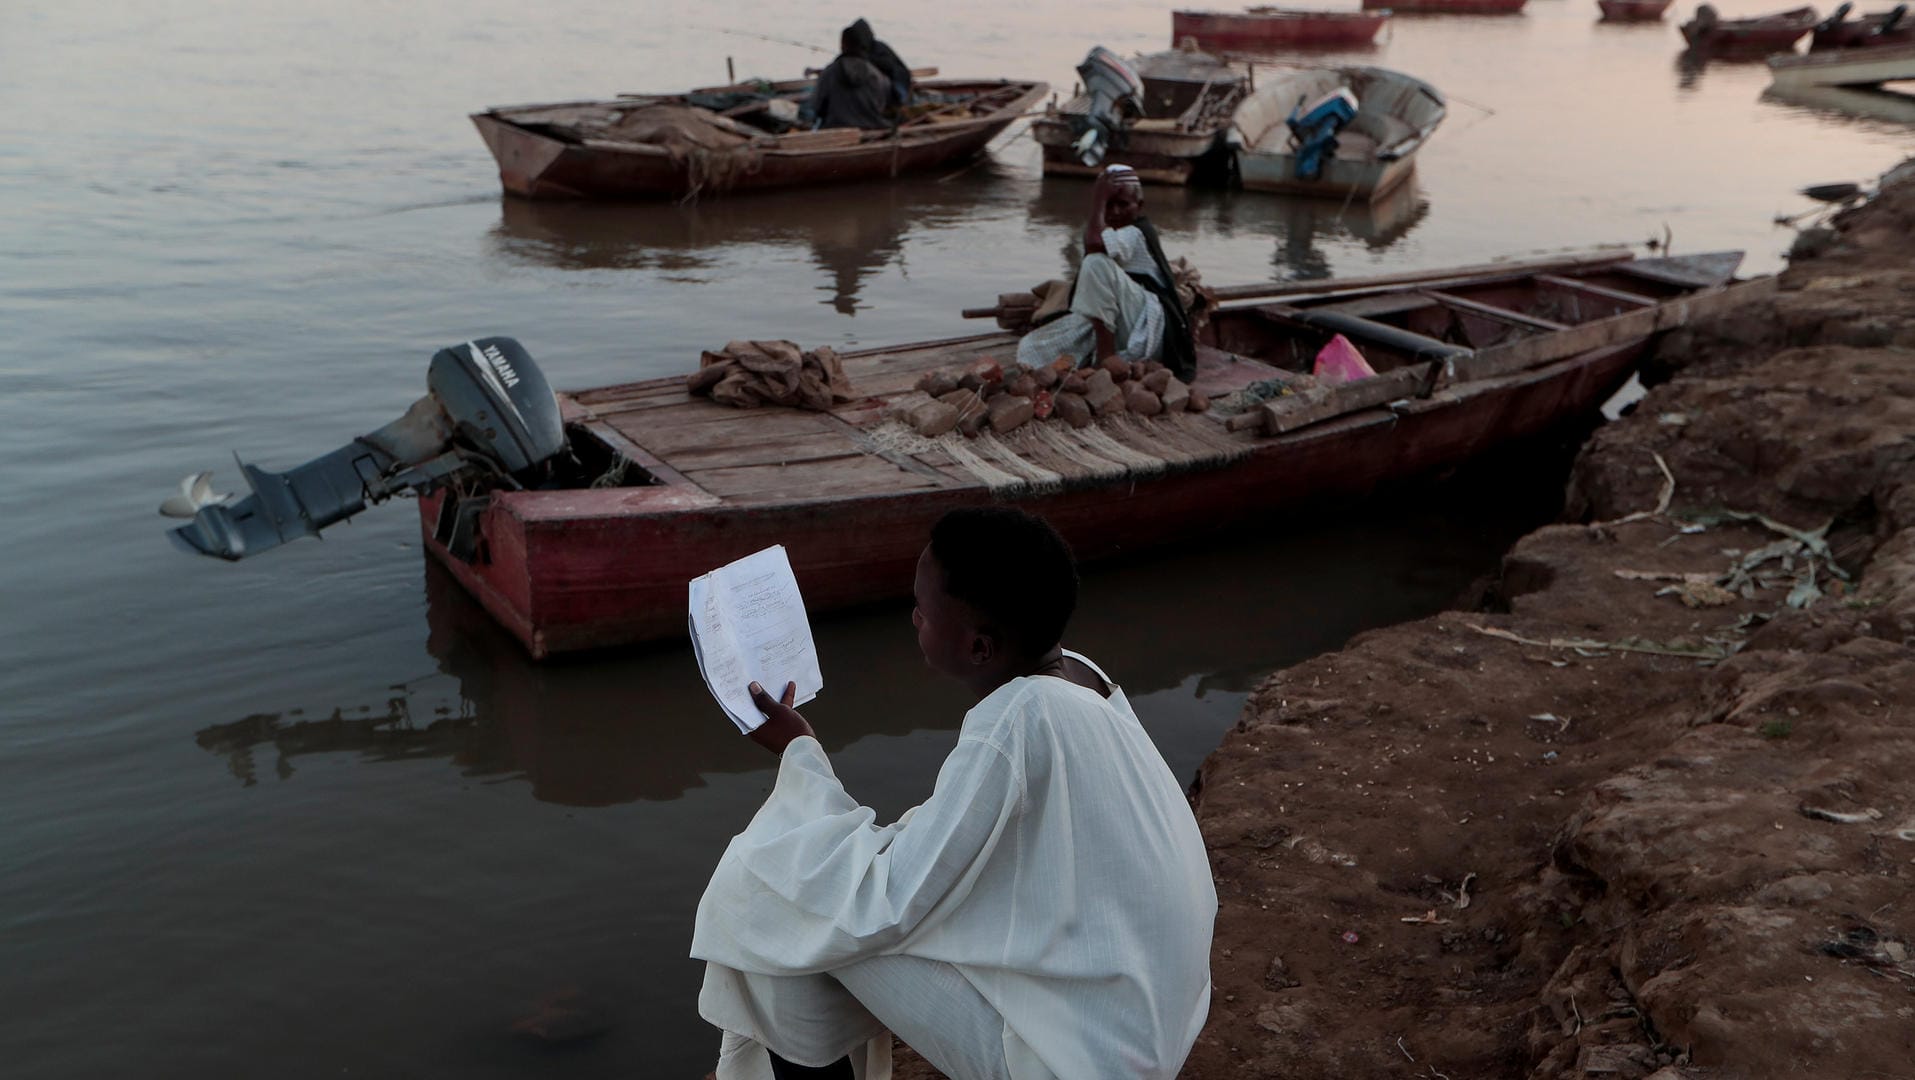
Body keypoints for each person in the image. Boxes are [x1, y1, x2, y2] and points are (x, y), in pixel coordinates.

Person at [690, 507, 1217, 1080]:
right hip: (1149, 1016)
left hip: (1085, 1060)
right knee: (804, 892)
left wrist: (801, 753)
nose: (913, 616)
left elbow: (884, 904)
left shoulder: (1017, 722)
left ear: (980, 649)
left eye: (925, 609)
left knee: (768, 900)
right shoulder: (1081, 677)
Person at [1013, 164, 1198, 383]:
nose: (1115, 212)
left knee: (1095, 262)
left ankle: (1106, 355)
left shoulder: (1135, 233)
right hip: (1118, 321)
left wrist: (1099, 200)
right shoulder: (1108, 232)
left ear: (1139, 206)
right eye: (1109, 205)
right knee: (1030, 348)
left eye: (1123, 204)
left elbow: (1093, 246)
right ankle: (1105, 354)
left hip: (1148, 326)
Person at [801, 19, 909, 131]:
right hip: (872, 126)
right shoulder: (876, 74)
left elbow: (817, 107)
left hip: (835, 129)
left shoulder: (829, 72)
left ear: (842, 45)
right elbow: (883, 104)